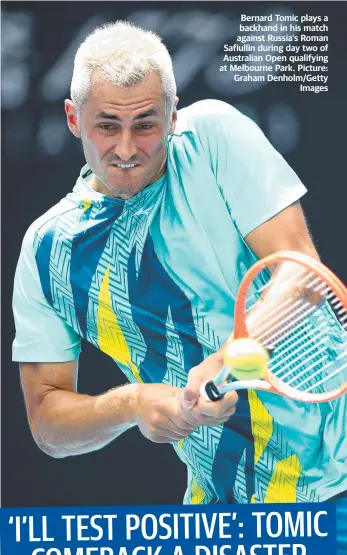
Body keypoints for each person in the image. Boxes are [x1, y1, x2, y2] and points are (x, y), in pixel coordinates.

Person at [12, 20, 346, 545]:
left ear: (172, 115)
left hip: (339, 479)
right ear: (74, 119)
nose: (126, 148)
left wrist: (230, 356)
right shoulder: (47, 250)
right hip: (223, 515)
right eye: (107, 125)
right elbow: (47, 420)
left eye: (146, 124)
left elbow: (300, 273)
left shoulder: (213, 134)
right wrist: (134, 403)